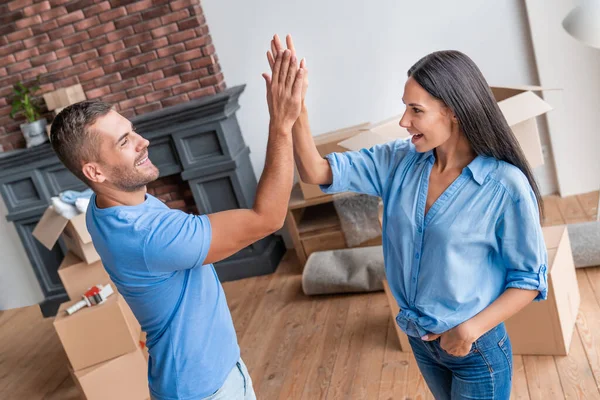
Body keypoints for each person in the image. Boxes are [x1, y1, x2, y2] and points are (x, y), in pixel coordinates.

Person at [283, 37, 547, 400]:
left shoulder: (504, 185)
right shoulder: (398, 161)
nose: (404, 121)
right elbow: (316, 171)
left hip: (475, 348)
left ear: (453, 111)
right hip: (421, 340)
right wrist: (296, 112)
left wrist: (468, 331)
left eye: (415, 110)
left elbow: (529, 279)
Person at [49, 45, 305, 400]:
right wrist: (282, 123)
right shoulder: (147, 236)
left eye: (132, 130)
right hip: (204, 391)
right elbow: (268, 218)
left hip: (209, 376)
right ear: (95, 171)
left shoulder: (105, 204)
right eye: (125, 142)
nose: (144, 142)